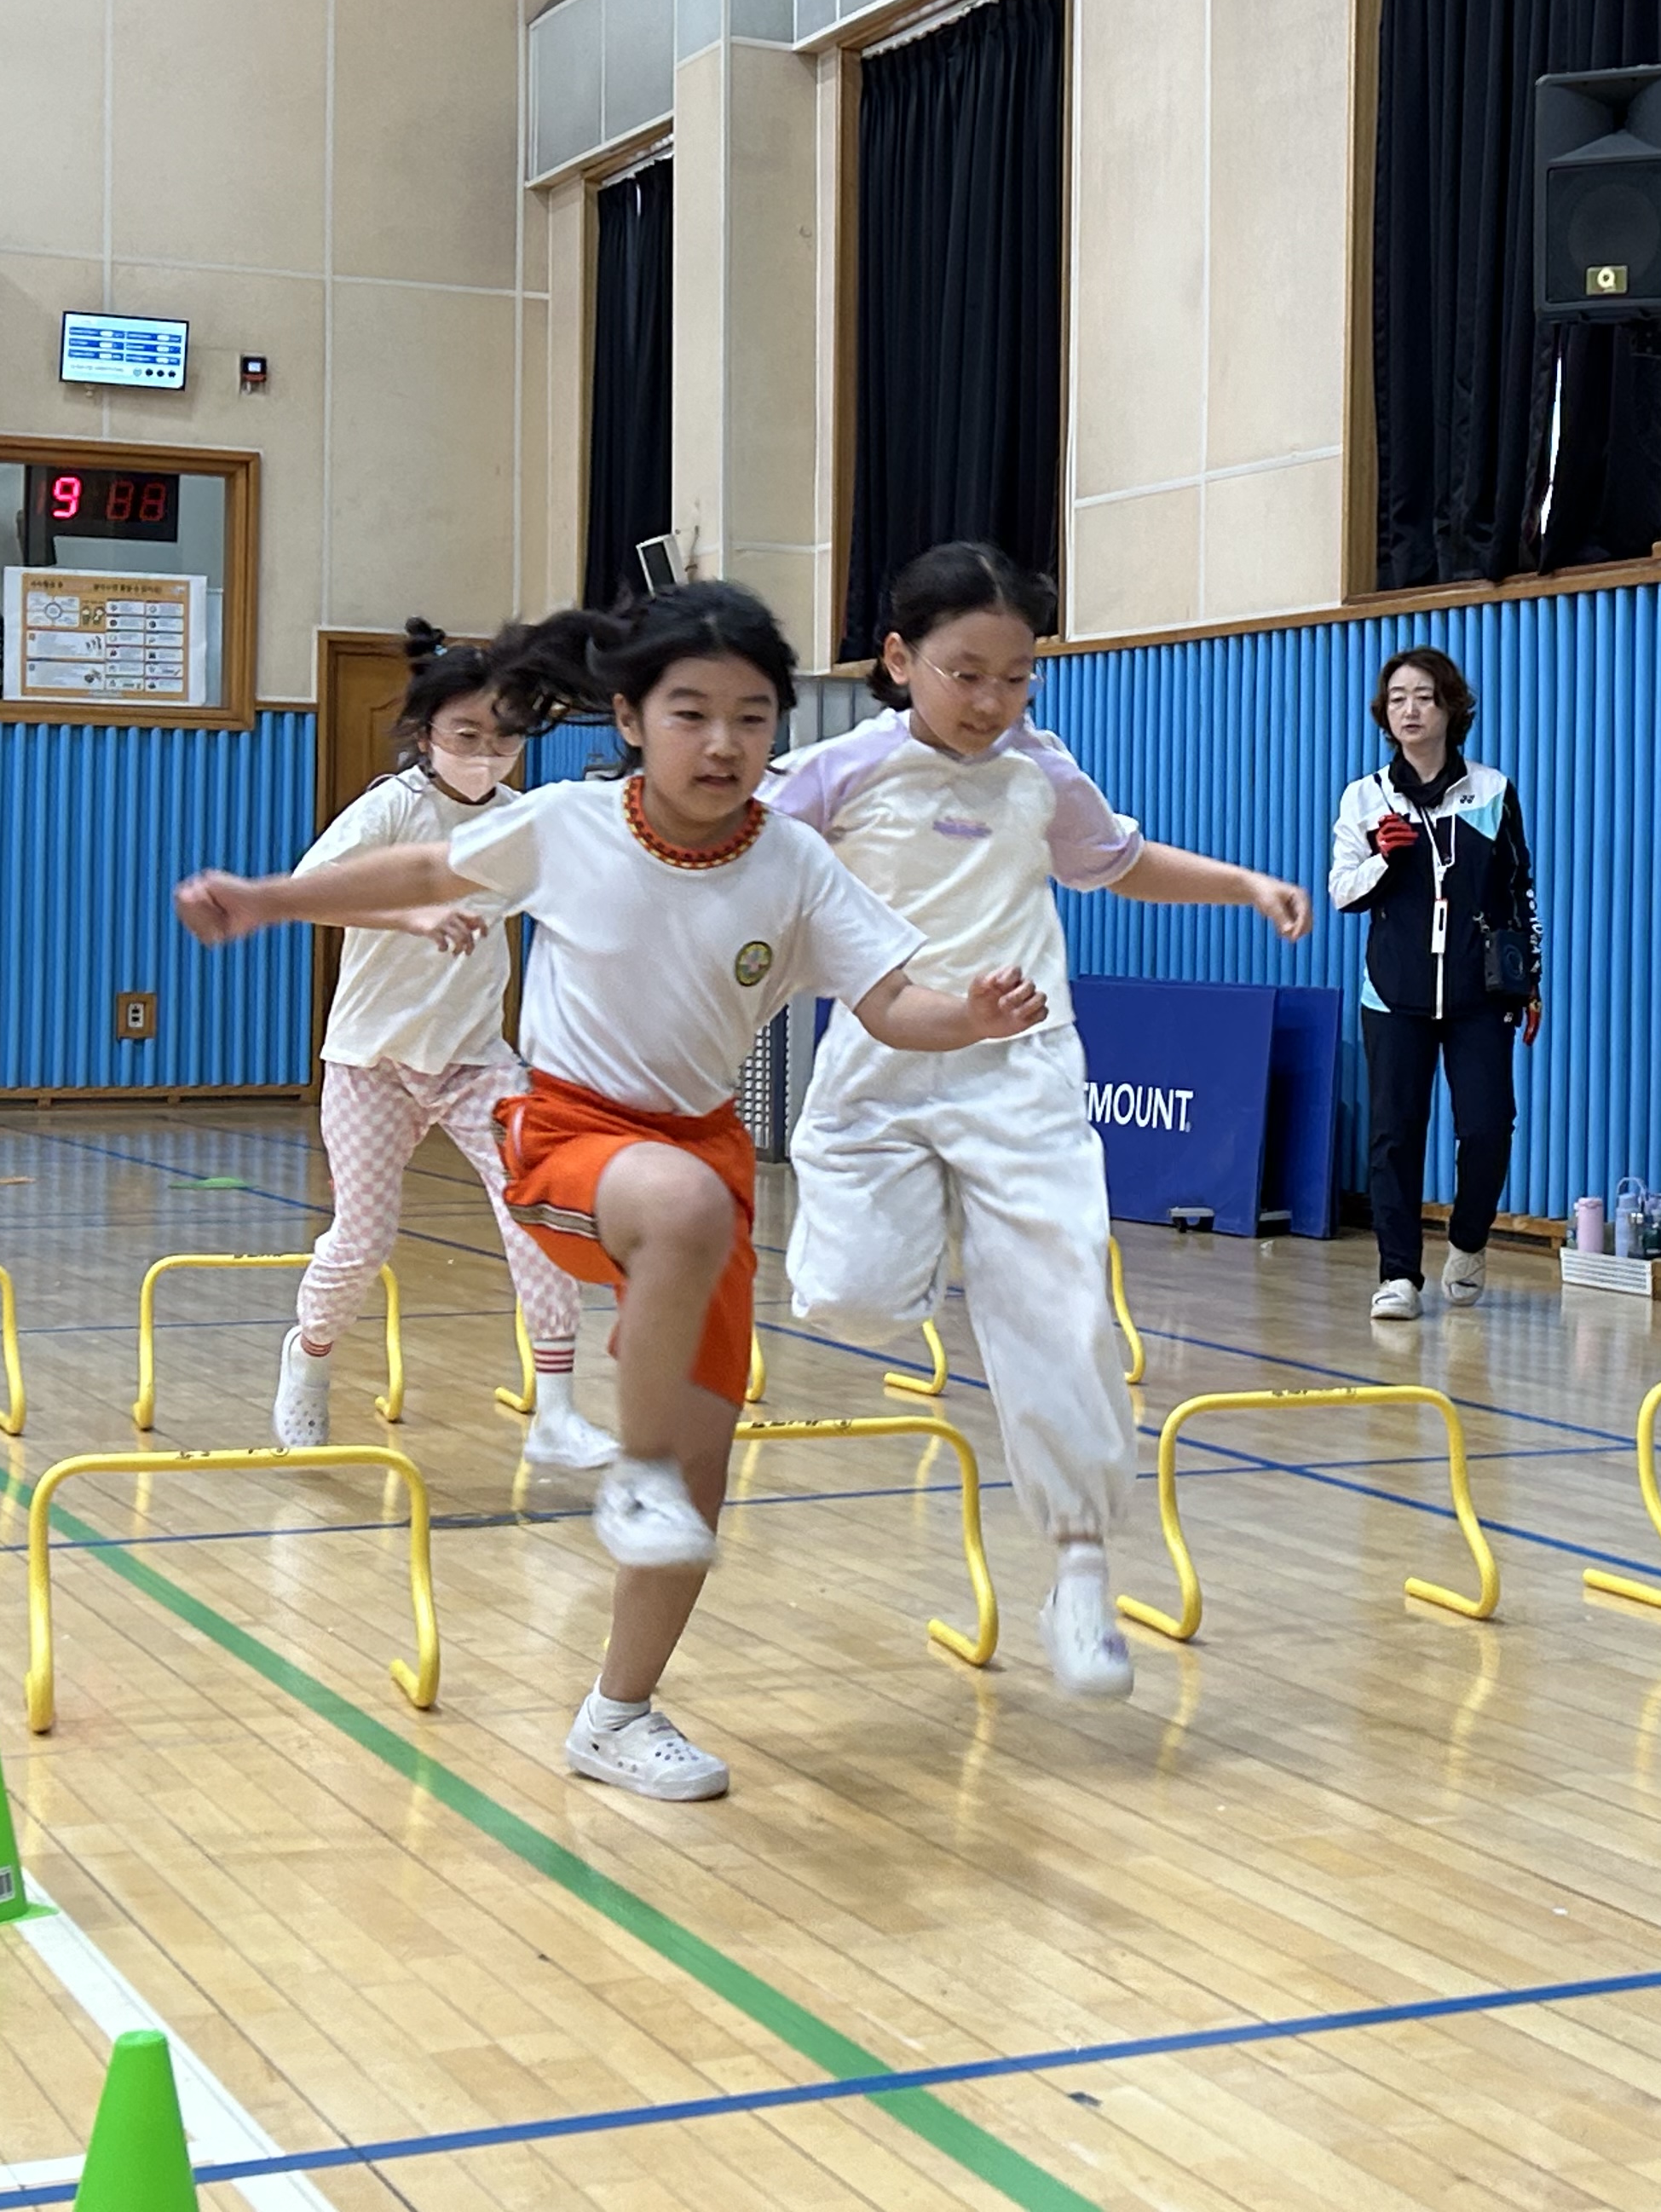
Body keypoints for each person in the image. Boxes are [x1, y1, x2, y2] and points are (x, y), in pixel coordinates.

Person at [177, 583, 1043, 1804]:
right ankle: (625, 1466)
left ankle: (617, 1714)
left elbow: (893, 1002)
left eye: (752, 717)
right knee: (676, 1223)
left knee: (704, 1472)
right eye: (691, 713)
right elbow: (418, 867)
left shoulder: (793, 861)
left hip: (701, 1160)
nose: (724, 743)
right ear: (631, 719)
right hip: (568, 1139)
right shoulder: (570, 827)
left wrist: (972, 1015)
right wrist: (267, 900)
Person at [764, 541, 1312, 1699]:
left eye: (1016, 678)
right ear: (899, 659)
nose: (992, 701)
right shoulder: (834, 773)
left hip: (1022, 1073)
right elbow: (730, 858)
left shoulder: (1040, 770)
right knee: (850, 1296)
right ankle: (919, 1251)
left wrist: (1243, 884)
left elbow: (1117, 860)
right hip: (882, 1061)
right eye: (966, 675)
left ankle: (1080, 1570)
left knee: (1063, 1317)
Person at [274, 619, 609, 1469]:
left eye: (503, 739)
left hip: (474, 1062)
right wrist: (413, 914)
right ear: (427, 734)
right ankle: (308, 1357)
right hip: (373, 1061)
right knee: (362, 1240)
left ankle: (558, 1410)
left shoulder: (523, 822)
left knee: (540, 1215)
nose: (485, 755)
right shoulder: (393, 807)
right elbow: (309, 892)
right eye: (466, 736)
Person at [1328, 646, 1541, 1322]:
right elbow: (1341, 891)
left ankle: (1469, 1240)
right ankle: (1398, 1275)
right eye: (1397, 699)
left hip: (1480, 994)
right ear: (1384, 715)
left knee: (1488, 1126)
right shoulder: (1365, 796)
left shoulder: (1492, 791)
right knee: (1394, 1134)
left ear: (1451, 707)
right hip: (1393, 993)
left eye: (1423, 696)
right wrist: (1384, 860)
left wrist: (1530, 982)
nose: (1410, 710)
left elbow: (1518, 890)